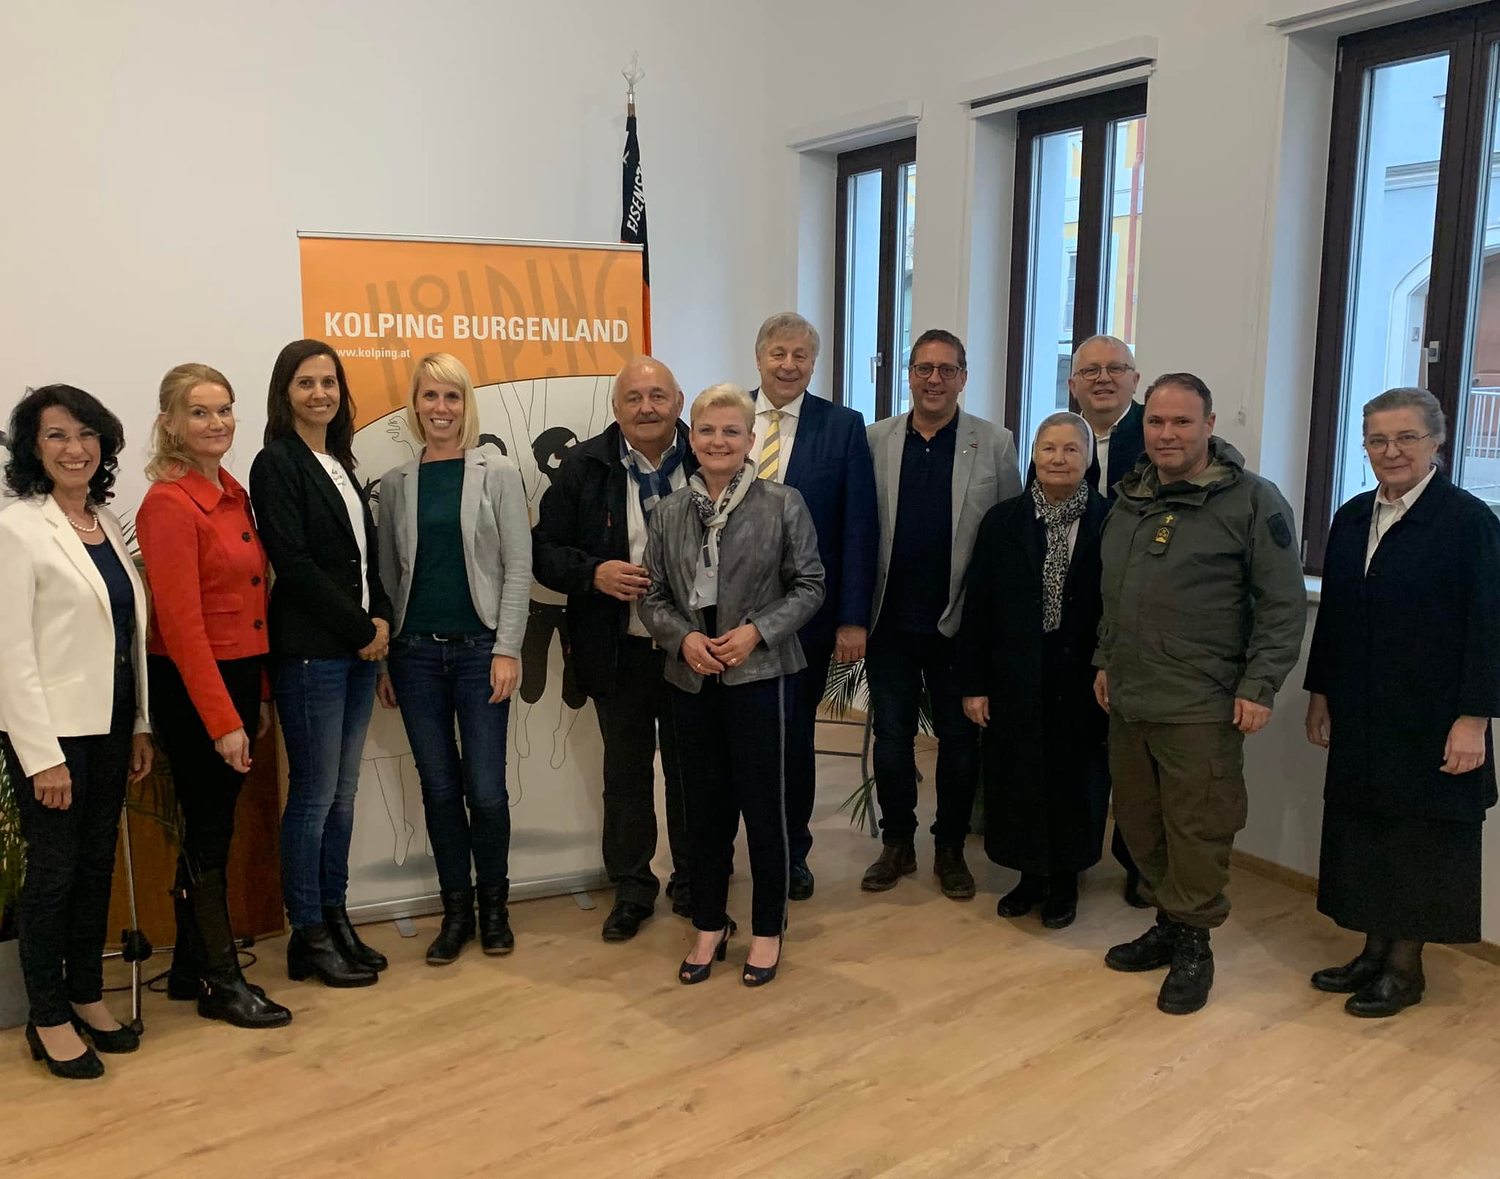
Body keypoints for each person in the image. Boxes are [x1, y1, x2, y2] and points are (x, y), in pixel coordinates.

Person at [1094, 372, 1304, 1015]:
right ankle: (1169, 921)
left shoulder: (1251, 502)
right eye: (1156, 422)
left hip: (1201, 704)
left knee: (1198, 826)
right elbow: (1114, 594)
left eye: (1182, 422)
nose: (1167, 434)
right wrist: (1105, 660)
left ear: (1209, 425)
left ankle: (1194, 945)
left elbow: (1282, 605)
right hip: (1130, 698)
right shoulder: (1131, 496)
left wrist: (1259, 685)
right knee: (1140, 821)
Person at [1304, 387, 1500, 1017]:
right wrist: (1320, 692)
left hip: (1434, 716)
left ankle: (1404, 969)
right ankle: (1371, 952)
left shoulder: (1469, 521)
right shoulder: (1352, 516)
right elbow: (1335, 616)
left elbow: (1489, 625)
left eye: (1406, 438)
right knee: (1365, 829)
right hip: (1363, 708)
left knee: (1418, 839)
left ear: (1437, 441)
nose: (1391, 451)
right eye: (1378, 440)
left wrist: (1474, 720)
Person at [640, 383, 824, 988]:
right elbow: (653, 596)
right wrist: (682, 639)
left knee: (765, 811)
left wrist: (756, 633)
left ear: (750, 440)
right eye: (707, 430)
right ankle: (709, 924)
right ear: (691, 439)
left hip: (761, 678)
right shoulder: (668, 511)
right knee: (703, 812)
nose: (718, 441)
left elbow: (810, 586)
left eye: (731, 431)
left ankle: (768, 929)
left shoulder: (783, 504)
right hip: (692, 679)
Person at [0, 385, 154, 1079]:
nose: (75, 448)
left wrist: (140, 723)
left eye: (86, 433)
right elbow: (11, 653)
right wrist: (41, 757)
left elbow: (126, 636)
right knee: (54, 875)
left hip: (112, 725)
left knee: (95, 868)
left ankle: (87, 992)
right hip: (53, 737)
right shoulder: (18, 528)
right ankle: (49, 1014)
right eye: (57, 435)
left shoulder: (105, 521)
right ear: (33, 448)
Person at [135, 364, 291, 1028]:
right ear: (170, 423)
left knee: (212, 824)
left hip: (238, 677)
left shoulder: (231, 492)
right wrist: (223, 719)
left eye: (223, 409)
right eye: (199, 412)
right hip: (195, 686)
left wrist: (257, 695)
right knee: (209, 829)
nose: (216, 422)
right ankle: (221, 981)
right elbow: (181, 625)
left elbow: (252, 604)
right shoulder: (168, 503)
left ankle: (192, 966)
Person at [532, 356, 697, 942]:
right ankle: (632, 888)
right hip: (618, 648)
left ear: (679, 402)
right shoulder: (584, 467)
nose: (647, 408)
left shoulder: (708, 456)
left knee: (692, 772)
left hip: (691, 651)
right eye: (634, 398)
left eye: (658, 396)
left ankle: (695, 880)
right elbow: (543, 551)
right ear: (616, 408)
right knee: (625, 775)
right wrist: (594, 573)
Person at [375, 353, 530, 964]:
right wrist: (385, 661)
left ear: (466, 405)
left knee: (486, 791)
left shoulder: (497, 473)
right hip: (414, 656)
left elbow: (518, 567)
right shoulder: (397, 483)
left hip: (479, 654)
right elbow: (388, 576)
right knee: (439, 789)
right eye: (430, 396)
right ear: (414, 404)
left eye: (452, 397)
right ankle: (456, 913)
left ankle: (494, 910)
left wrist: (507, 648)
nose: (441, 408)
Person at [249, 339, 392, 989]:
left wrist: (380, 620)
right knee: (312, 796)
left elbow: (363, 559)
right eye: (306, 383)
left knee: (342, 795)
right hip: (313, 652)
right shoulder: (276, 462)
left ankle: (335, 916)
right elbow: (295, 564)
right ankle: (306, 931)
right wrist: (363, 629)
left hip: (356, 651)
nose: (320, 394)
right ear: (285, 393)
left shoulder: (338, 461)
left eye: (329, 382)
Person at [862, 329, 1021, 899]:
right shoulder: (875, 439)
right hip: (889, 622)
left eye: (946, 369)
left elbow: (1007, 536)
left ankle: (950, 848)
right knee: (891, 737)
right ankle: (897, 843)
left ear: (963, 377)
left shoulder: (995, 443)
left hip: (960, 626)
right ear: (909, 374)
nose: (934, 379)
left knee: (958, 741)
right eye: (924, 368)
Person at [959, 412, 1109, 929]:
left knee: (1075, 779)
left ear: (1088, 459)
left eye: (1071, 449)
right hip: (1015, 674)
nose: (1059, 459)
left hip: (1082, 677)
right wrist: (975, 685)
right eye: (1049, 448)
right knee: (1018, 775)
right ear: (1033, 455)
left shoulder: (1111, 522)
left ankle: (1065, 879)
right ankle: (1029, 875)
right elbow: (978, 607)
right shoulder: (1003, 522)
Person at [747, 313, 878, 901]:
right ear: (759, 357)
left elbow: (858, 526)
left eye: (801, 355)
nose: (788, 365)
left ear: (814, 362)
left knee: (792, 738)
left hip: (808, 617)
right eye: (778, 353)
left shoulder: (842, 426)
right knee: (731, 740)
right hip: (727, 617)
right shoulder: (724, 416)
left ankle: (790, 854)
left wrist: (852, 617)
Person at [1069, 334, 1148, 907]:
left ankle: (1137, 861)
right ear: (1073, 383)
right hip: (1073, 625)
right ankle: (1072, 855)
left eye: (1115, 368)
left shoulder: (1156, 437)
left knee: (1136, 756)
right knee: (1079, 749)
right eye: (1090, 370)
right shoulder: (1060, 439)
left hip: (1139, 621)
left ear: (1134, 379)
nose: (1103, 379)